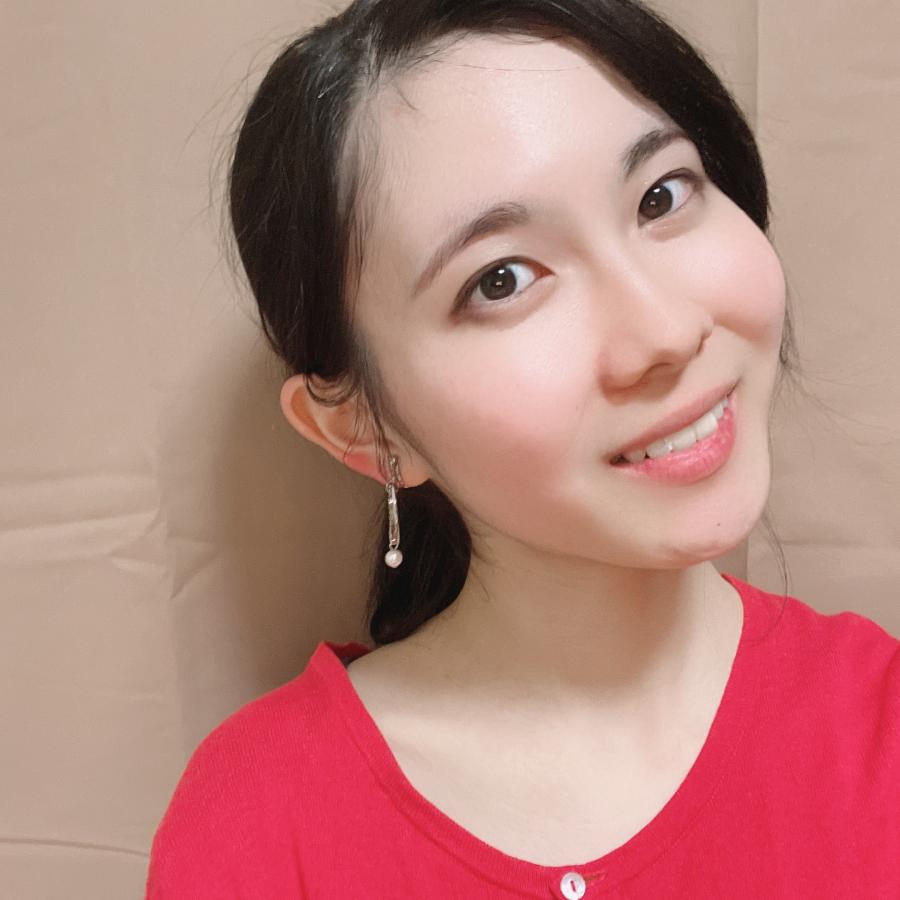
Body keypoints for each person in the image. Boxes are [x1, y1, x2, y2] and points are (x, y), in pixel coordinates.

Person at [146, 1, 900, 896]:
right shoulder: (259, 828)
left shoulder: (879, 735)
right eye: (501, 279)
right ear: (364, 429)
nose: (664, 331)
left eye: (661, 195)